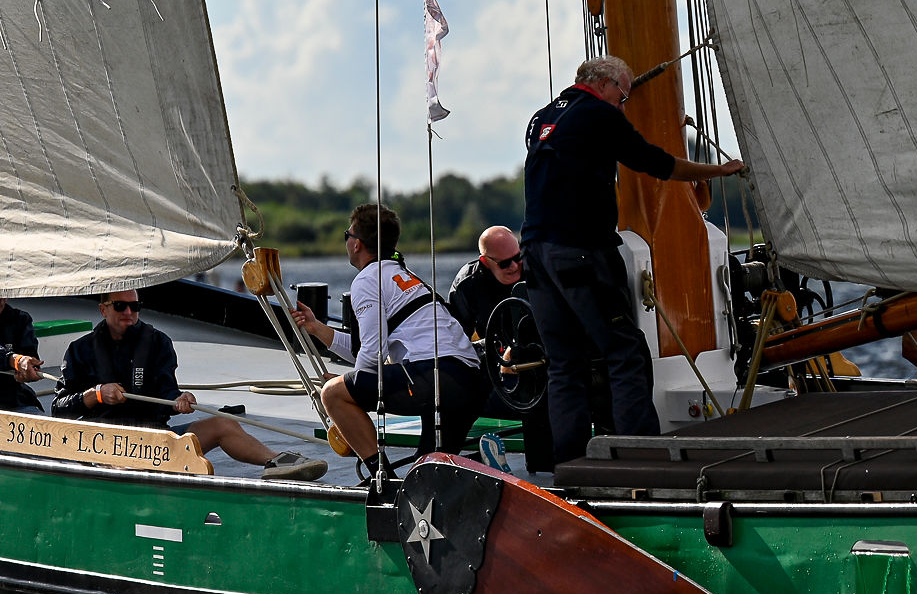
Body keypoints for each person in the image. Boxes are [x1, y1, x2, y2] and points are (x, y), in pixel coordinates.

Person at [521, 55, 746, 468]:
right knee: (625, 351)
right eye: (622, 97)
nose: (623, 106)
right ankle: (638, 457)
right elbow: (655, 163)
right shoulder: (599, 114)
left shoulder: (541, 117)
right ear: (603, 84)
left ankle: (569, 464)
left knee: (564, 364)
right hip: (581, 252)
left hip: (535, 254)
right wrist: (719, 170)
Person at [289, 203, 489, 481]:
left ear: (357, 244)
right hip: (468, 381)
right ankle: (478, 467)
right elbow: (367, 348)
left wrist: (351, 385)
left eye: (347, 235)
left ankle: (381, 478)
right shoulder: (404, 275)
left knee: (332, 394)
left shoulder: (366, 280)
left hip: (433, 377)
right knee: (425, 477)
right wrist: (317, 329)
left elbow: (374, 352)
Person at [56, 290, 327, 481]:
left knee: (224, 424)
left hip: (155, 441)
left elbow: (166, 394)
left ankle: (277, 461)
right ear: (103, 309)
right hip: (104, 444)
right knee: (124, 469)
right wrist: (96, 395)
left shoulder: (158, 343)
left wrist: (179, 400)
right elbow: (59, 409)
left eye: (135, 306)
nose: (129, 312)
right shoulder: (80, 350)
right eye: (120, 306)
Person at [445, 225, 559, 474]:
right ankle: (442, 459)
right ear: (485, 262)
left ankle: (547, 464)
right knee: (459, 390)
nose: (515, 266)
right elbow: (454, 339)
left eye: (518, 257)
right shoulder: (467, 284)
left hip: (542, 360)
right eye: (506, 263)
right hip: (496, 364)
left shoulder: (538, 270)